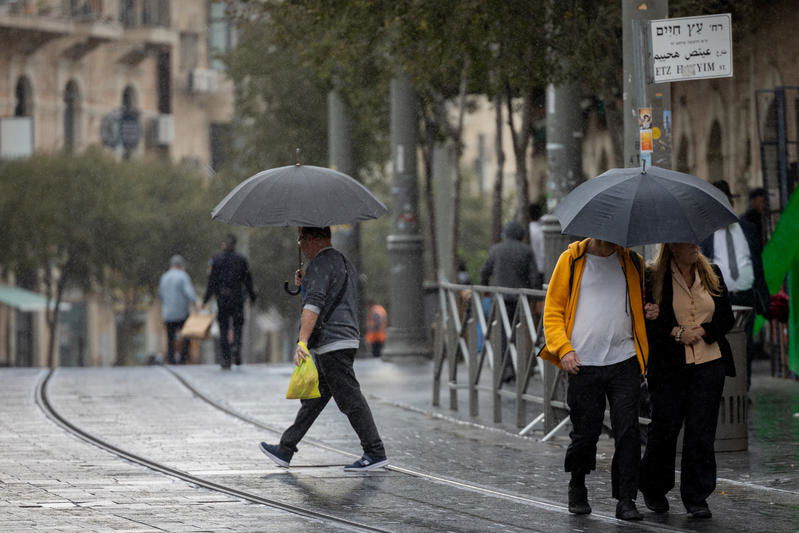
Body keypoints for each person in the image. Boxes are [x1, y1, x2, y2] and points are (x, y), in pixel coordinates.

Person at [539, 238, 658, 521]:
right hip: (583, 362)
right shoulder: (571, 260)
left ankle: (626, 499)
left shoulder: (632, 261)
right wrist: (564, 349)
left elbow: (637, 304)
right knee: (585, 433)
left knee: (628, 430)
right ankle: (577, 485)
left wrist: (649, 309)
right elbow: (552, 311)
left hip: (624, 360)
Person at [259, 227, 388, 472]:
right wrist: (305, 282)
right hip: (346, 336)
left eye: (301, 240)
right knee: (314, 399)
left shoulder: (320, 264)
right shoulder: (343, 261)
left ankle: (375, 451)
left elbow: (314, 305)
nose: (300, 246)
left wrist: (302, 342)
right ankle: (286, 448)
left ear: (313, 239)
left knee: (350, 397)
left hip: (332, 341)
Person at [639, 242, 735, 519]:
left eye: (696, 241)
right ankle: (654, 488)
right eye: (687, 242)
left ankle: (697, 497)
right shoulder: (653, 277)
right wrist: (676, 332)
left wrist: (704, 330)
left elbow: (727, 316)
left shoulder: (711, 273)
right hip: (669, 368)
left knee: (701, 432)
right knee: (664, 430)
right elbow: (647, 321)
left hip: (709, 363)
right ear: (672, 247)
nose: (695, 246)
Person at [700, 180, 769, 390]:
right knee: (721, 343)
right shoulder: (706, 236)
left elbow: (757, 265)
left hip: (746, 296)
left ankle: (742, 388)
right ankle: (722, 388)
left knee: (746, 345)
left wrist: (764, 300)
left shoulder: (747, 229)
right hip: (720, 298)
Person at [481, 221, 540, 382]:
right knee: (520, 334)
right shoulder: (526, 251)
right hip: (520, 299)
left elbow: (485, 271)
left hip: (500, 299)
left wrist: (485, 288)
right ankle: (520, 367)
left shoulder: (496, 250)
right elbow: (534, 277)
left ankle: (505, 368)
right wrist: (533, 295)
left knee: (501, 334)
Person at [203, 234, 256, 369]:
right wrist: (252, 297)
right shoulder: (241, 260)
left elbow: (211, 282)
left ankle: (226, 357)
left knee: (223, 327)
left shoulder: (216, 260)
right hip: (238, 298)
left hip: (222, 298)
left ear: (224, 245)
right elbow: (248, 280)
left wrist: (205, 299)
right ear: (235, 245)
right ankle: (236, 347)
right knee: (238, 325)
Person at [159, 255, 198, 364]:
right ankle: (183, 358)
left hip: (168, 313)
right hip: (181, 312)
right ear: (181, 265)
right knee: (186, 335)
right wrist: (195, 304)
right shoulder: (183, 276)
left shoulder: (164, 277)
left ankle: (171, 359)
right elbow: (189, 292)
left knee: (170, 338)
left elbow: (161, 295)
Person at [528, 204, 545, 279]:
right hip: (541, 268)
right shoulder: (541, 231)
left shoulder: (527, 229)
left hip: (529, 268)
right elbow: (543, 252)